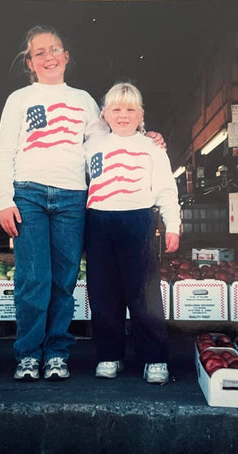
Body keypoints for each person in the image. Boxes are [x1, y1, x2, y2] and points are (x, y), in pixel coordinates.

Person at [0, 25, 166, 382]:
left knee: (64, 280)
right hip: (29, 194)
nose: (49, 57)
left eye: (54, 49)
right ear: (30, 62)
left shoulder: (84, 100)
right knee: (33, 278)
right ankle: (28, 353)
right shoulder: (19, 100)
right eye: (39, 52)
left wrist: (146, 138)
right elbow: (4, 151)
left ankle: (56, 352)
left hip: (73, 197)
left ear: (66, 57)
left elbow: (114, 138)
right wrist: (4, 199)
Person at [85, 82, 180, 384]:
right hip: (98, 222)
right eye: (116, 109)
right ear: (104, 114)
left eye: (130, 109)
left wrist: (173, 225)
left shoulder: (151, 147)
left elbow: (166, 188)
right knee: (103, 292)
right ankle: (110, 355)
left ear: (141, 114)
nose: (123, 115)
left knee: (144, 294)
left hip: (139, 221)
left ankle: (154, 358)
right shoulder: (90, 148)